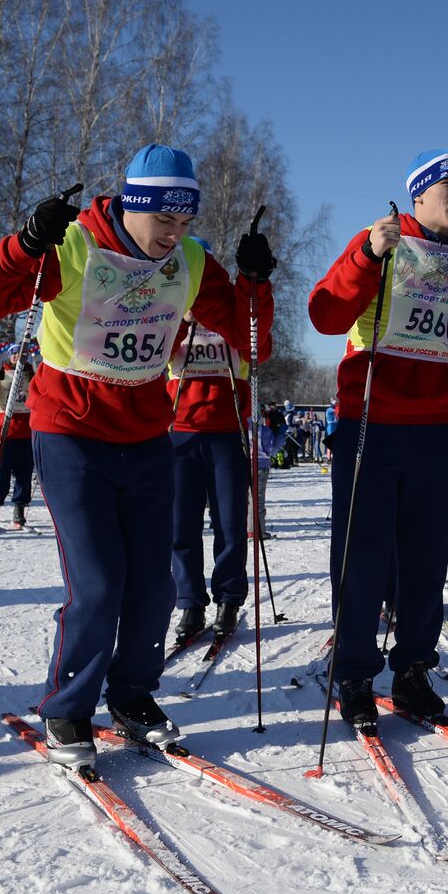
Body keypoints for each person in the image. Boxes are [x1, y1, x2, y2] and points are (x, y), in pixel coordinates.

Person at [0, 143, 276, 768]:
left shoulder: (191, 262)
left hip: (149, 434)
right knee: (99, 582)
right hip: (71, 431)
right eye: (164, 222)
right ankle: (68, 708)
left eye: (186, 224)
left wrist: (257, 282)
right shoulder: (73, 246)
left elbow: (253, 341)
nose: (174, 236)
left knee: (153, 583)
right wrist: (23, 244)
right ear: (133, 207)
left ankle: (132, 696)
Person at [309, 150, 448, 731]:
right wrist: (365, 256)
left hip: (435, 425)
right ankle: (354, 673)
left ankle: (412, 671)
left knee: (426, 556)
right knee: (362, 552)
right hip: (371, 420)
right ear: (420, 194)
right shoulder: (381, 240)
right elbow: (325, 314)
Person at [167, 265, 271, 642]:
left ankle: (229, 598)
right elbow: (159, 348)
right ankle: (190, 602)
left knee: (230, 524)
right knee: (182, 526)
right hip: (182, 434)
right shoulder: (172, 312)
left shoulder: (231, 319)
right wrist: (184, 318)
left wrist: (218, 317)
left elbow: (263, 348)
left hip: (227, 434)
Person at [0, 348, 36, 529]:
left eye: (22, 355)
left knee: (24, 474)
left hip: (26, 432)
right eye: (15, 355)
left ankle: (19, 511)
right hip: (4, 433)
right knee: (0, 474)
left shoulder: (31, 374)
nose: (18, 358)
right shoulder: (1, 374)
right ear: (9, 357)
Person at [248, 410, 279, 540]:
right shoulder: (265, 431)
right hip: (261, 465)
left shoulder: (243, 429)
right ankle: (258, 530)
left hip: (246, 464)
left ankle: (250, 529)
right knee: (258, 499)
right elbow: (271, 449)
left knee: (249, 498)